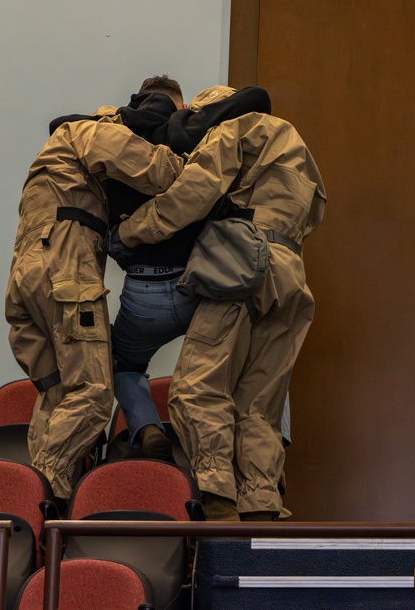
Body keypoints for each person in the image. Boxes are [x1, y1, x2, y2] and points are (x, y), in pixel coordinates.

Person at [113, 104, 326, 521]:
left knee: (197, 389)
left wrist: (129, 231)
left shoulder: (234, 127)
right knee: (259, 408)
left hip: (243, 266)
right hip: (291, 276)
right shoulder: (297, 147)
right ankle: (261, 509)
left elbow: (189, 195)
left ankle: (219, 507)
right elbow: (314, 214)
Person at [50, 77, 272, 462]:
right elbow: (258, 97)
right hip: (200, 288)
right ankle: (254, 447)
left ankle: (147, 426)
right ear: (181, 105)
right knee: (253, 355)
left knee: (120, 363)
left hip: (143, 294)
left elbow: (58, 125)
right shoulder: (194, 131)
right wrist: (190, 117)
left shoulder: (112, 135)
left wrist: (119, 117)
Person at [5, 110, 184, 502]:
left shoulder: (52, 159)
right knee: (94, 393)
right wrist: (193, 162)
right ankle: (36, 493)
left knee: (59, 395)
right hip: (65, 269)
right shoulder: (92, 131)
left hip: (27, 277)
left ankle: (42, 518)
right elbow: (155, 169)